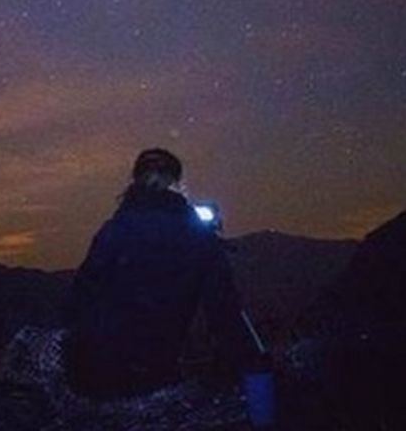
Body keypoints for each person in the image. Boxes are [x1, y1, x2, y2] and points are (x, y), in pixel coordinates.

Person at [63, 148, 259, 401]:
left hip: (100, 362)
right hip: (158, 360)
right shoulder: (197, 236)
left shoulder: (114, 230)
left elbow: (81, 293)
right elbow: (224, 306)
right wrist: (244, 362)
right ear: (177, 184)